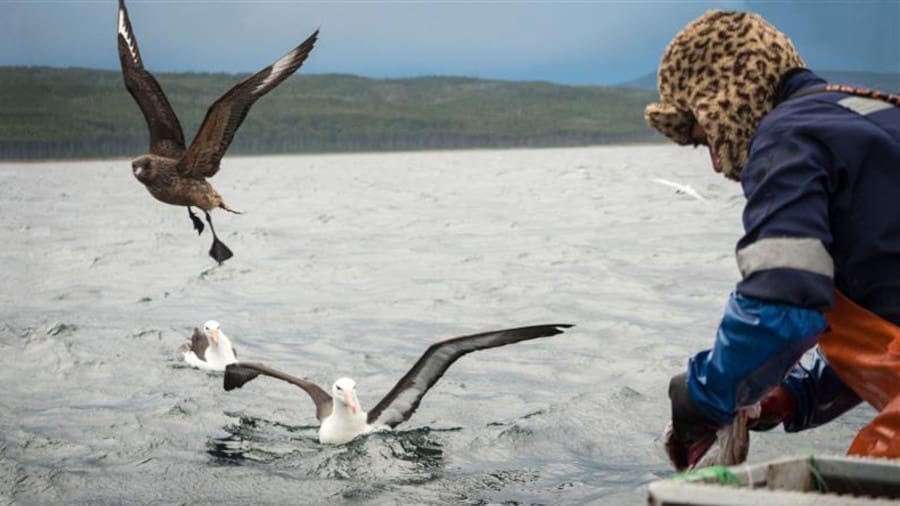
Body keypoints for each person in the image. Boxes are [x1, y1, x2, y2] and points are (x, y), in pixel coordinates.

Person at [643, 10, 900, 470]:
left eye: (705, 141)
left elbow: (782, 308)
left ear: (724, 99)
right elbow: (887, 305)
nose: (717, 166)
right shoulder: (874, 117)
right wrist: (790, 393)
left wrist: (702, 395)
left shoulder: (788, 136)